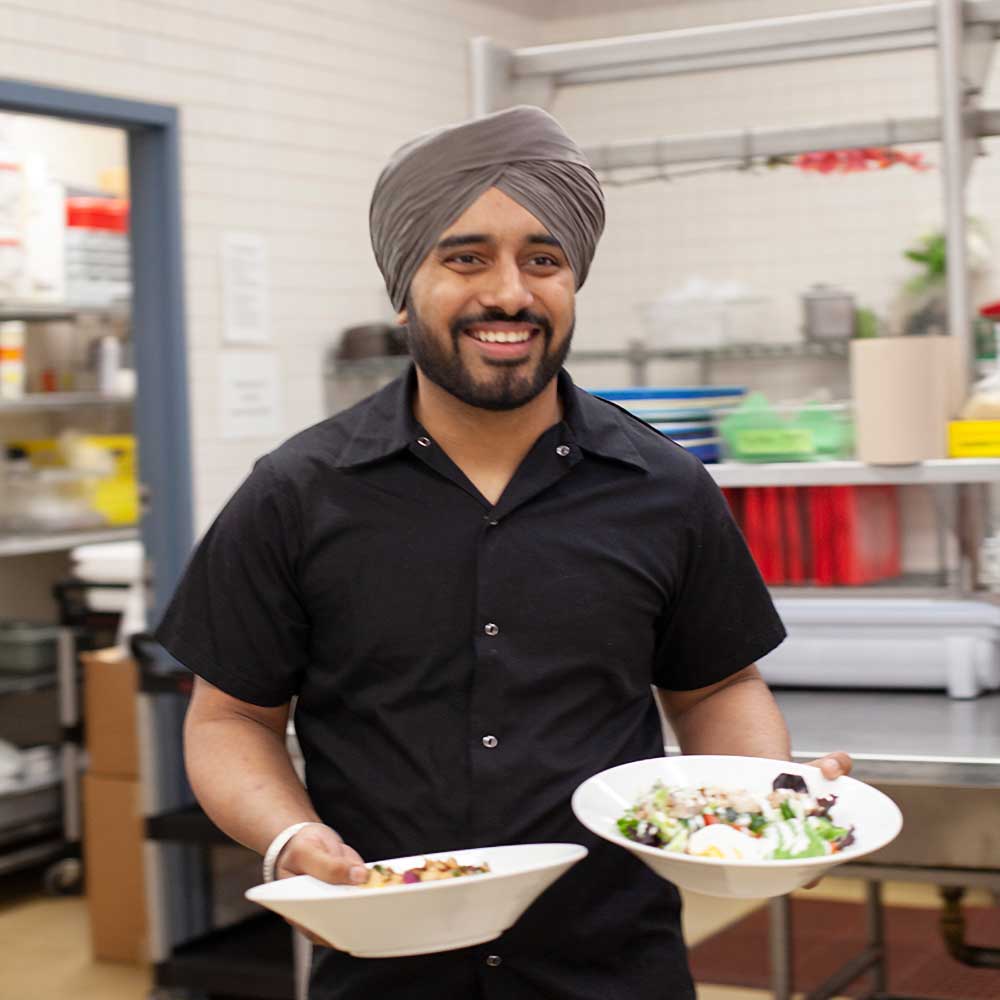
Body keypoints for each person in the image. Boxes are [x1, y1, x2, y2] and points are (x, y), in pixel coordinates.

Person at [156, 105, 852, 1000]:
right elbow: (230, 720)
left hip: (611, 965)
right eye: (466, 257)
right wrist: (290, 837)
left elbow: (716, 685)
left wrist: (768, 808)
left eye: (544, 259)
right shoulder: (297, 492)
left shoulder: (665, 486)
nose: (511, 293)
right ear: (402, 287)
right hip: (385, 970)